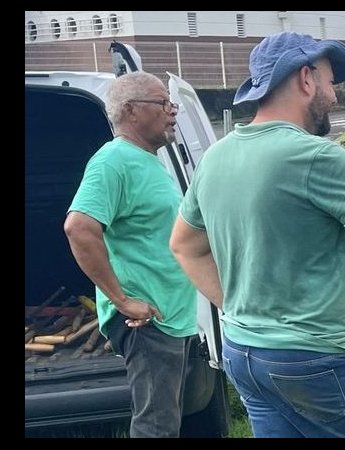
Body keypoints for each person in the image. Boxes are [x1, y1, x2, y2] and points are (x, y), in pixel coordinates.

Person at [169, 32, 345, 438]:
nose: (334, 96)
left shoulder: (217, 155)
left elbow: (184, 244)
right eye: (329, 81)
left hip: (246, 351)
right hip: (316, 361)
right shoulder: (314, 155)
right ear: (305, 79)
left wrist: (234, 304)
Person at [64, 71, 197, 438]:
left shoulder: (147, 160)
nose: (173, 111)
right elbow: (79, 227)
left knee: (164, 420)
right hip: (148, 320)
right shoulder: (114, 161)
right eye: (163, 103)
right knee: (156, 427)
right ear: (131, 111)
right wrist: (122, 300)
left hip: (171, 314)